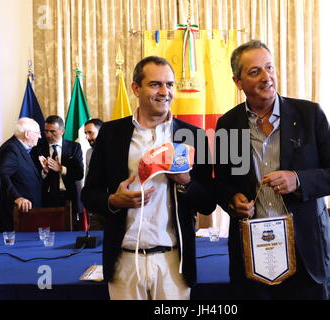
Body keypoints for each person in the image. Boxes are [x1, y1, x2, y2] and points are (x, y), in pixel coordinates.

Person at [214, 40, 330, 300]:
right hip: (252, 256)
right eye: (255, 71)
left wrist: (299, 180)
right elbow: (223, 183)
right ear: (238, 82)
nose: (267, 77)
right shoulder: (228, 124)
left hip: (306, 254)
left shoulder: (310, 115)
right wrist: (233, 200)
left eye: (270, 68)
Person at [81, 56, 216, 300]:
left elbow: (208, 202)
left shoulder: (193, 136)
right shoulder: (111, 134)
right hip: (124, 262)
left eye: (170, 85)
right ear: (136, 88)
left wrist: (185, 181)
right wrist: (114, 201)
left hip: (174, 263)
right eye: (156, 84)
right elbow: (89, 195)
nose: (165, 92)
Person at [34, 115, 84, 229]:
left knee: (70, 231)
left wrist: (61, 169)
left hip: (69, 197)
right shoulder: (38, 148)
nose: (48, 135)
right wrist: (44, 172)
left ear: (62, 131)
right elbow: (32, 176)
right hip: (46, 198)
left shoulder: (74, 147)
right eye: (46, 131)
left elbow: (79, 173)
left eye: (52, 131)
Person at [0, 118, 43, 232]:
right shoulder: (11, 149)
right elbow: (2, 176)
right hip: (15, 215)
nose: (40, 137)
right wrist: (17, 197)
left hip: (27, 214)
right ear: (27, 134)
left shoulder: (21, 148)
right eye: (37, 133)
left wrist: (43, 172)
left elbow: (23, 176)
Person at [83, 118, 105, 230]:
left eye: (90, 132)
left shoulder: (115, 151)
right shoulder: (88, 153)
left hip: (111, 204)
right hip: (94, 207)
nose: (87, 137)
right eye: (85, 133)